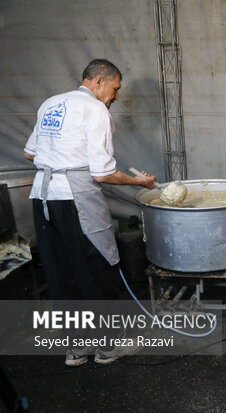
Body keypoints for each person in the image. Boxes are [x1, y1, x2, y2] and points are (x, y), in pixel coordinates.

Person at [23, 58, 156, 366]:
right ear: (99, 81)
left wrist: (59, 160)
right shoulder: (95, 110)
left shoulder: (51, 104)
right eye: (115, 88)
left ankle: (77, 349)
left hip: (43, 197)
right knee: (95, 266)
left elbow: (30, 153)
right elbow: (102, 173)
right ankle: (109, 347)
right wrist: (140, 182)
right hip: (75, 199)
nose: (116, 97)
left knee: (60, 271)